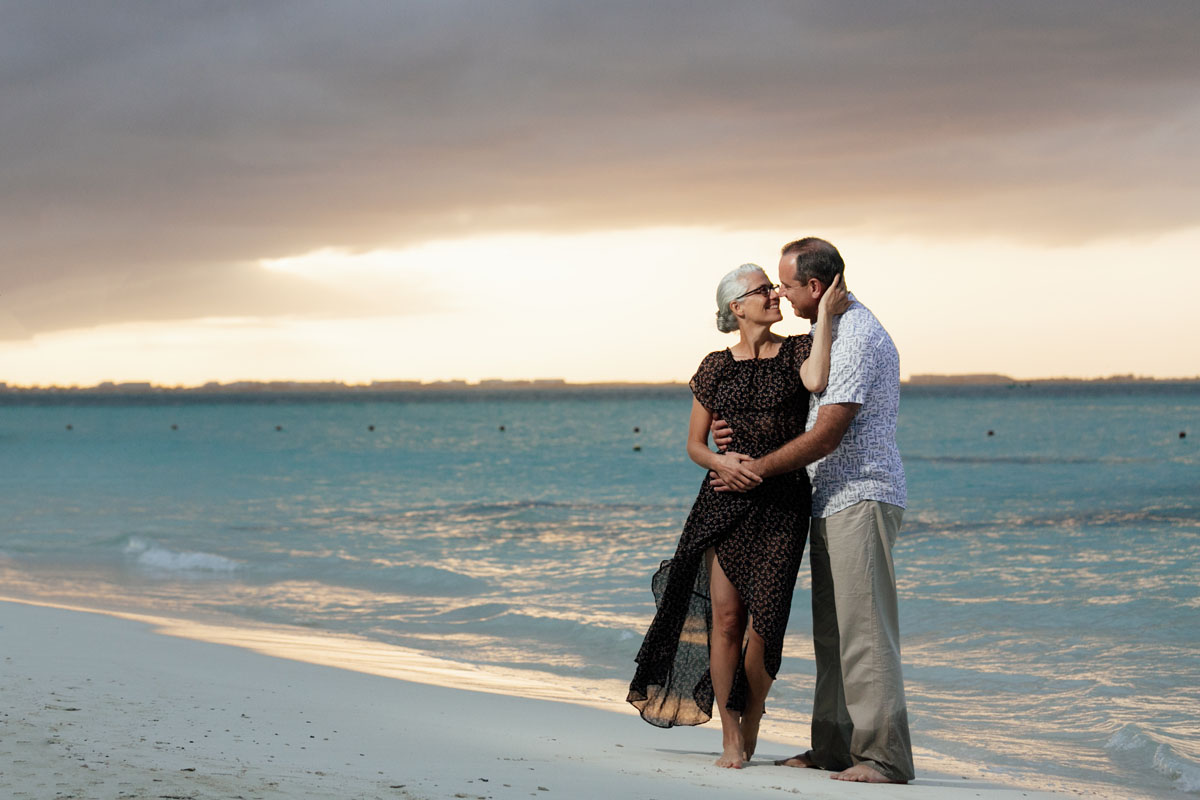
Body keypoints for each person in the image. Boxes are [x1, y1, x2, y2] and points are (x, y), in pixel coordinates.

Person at [710, 237, 915, 784]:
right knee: (833, 632)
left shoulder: (859, 337)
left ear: (815, 287)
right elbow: (775, 392)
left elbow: (825, 434)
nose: (780, 293)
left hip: (861, 493)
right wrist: (727, 431)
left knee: (865, 632)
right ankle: (832, 746)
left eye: (787, 284)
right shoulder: (831, 331)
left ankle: (884, 757)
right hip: (830, 496)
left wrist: (755, 469)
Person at [627, 262, 847, 770]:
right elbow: (694, 445)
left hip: (782, 503)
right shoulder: (713, 366)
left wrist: (828, 319)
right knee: (726, 621)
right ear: (737, 307)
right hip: (723, 499)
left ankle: (752, 719)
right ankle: (730, 735)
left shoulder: (797, 349)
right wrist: (720, 459)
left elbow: (816, 380)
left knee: (766, 625)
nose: (774, 294)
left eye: (775, 286)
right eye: (763, 289)